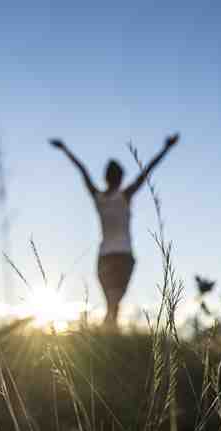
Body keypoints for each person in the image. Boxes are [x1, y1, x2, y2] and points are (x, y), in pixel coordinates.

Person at [49, 134, 179, 329]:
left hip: (105, 257)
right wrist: (166, 148)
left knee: (112, 301)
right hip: (124, 256)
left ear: (106, 177)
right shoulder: (124, 196)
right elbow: (147, 171)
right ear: (121, 178)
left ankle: (108, 332)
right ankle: (109, 332)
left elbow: (82, 170)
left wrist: (65, 149)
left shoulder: (99, 197)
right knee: (114, 302)